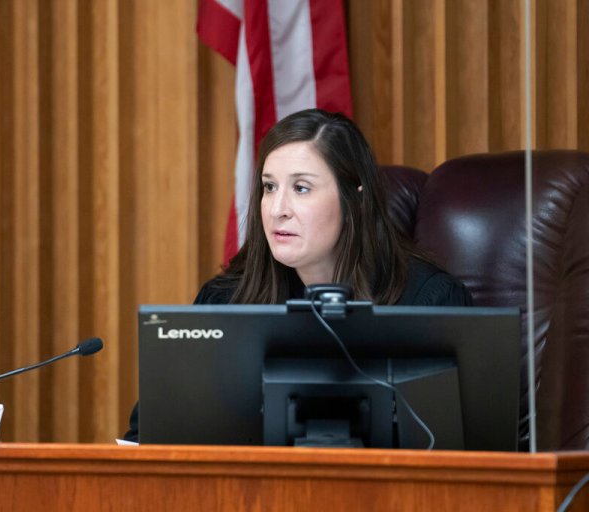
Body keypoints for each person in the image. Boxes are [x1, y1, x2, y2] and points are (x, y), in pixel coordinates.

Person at [123, 109, 472, 442]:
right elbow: (149, 433)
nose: (277, 210)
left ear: (356, 200)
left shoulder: (431, 304)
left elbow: (471, 451)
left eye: (301, 188)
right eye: (269, 187)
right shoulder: (225, 300)